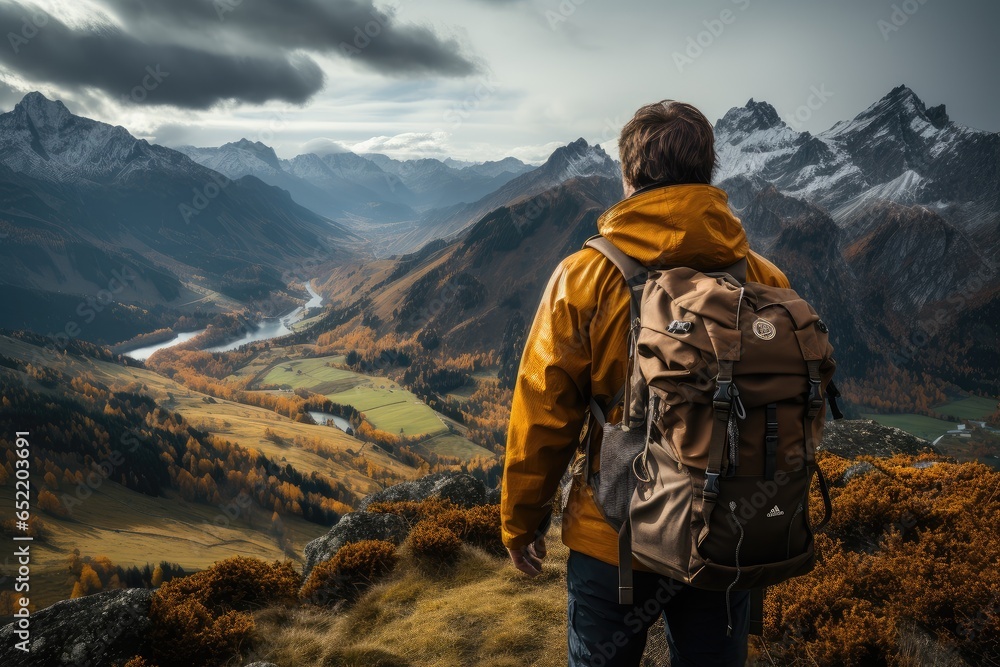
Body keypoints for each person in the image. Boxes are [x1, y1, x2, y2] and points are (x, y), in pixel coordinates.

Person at [500, 100, 790, 666]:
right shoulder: (763, 277)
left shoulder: (584, 276)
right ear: (709, 173)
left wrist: (521, 521)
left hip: (615, 537)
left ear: (629, 176)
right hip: (726, 534)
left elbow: (544, 411)